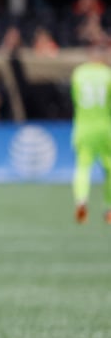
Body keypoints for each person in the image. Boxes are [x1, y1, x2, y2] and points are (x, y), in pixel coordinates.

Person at [70, 37, 111, 224]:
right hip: (105, 128)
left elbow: (75, 99)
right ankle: (109, 209)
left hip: (83, 127)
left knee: (82, 167)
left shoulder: (78, 74)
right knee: (109, 169)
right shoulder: (108, 74)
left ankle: (81, 202)